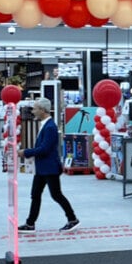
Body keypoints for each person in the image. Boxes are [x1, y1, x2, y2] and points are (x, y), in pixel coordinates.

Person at [18, 98, 79, 233]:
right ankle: (30, 223)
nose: (33, 111)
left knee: (56, 195)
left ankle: (72, 219)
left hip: (49, 168)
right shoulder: (45, 125)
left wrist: (25, 152)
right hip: (42, 168)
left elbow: (44, 149)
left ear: (42, 110)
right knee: (35, 194)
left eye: (35, 109)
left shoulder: (50, 127)